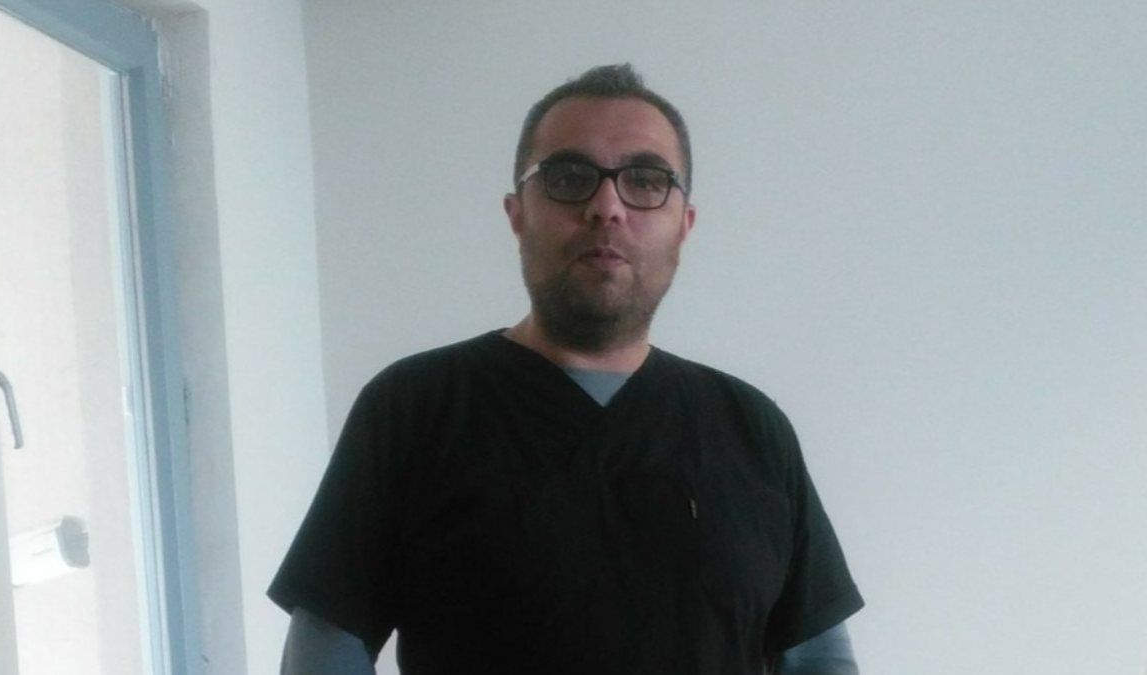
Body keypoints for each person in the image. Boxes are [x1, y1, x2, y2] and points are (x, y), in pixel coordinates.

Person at [269, 64, 864, 674]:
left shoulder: (752, 428)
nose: (606, 207)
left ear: (684, 225)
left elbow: (819, 655)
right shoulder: (415, 409)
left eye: (646, 180)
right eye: (569, 178)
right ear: (517, 214)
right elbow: (326, 649)